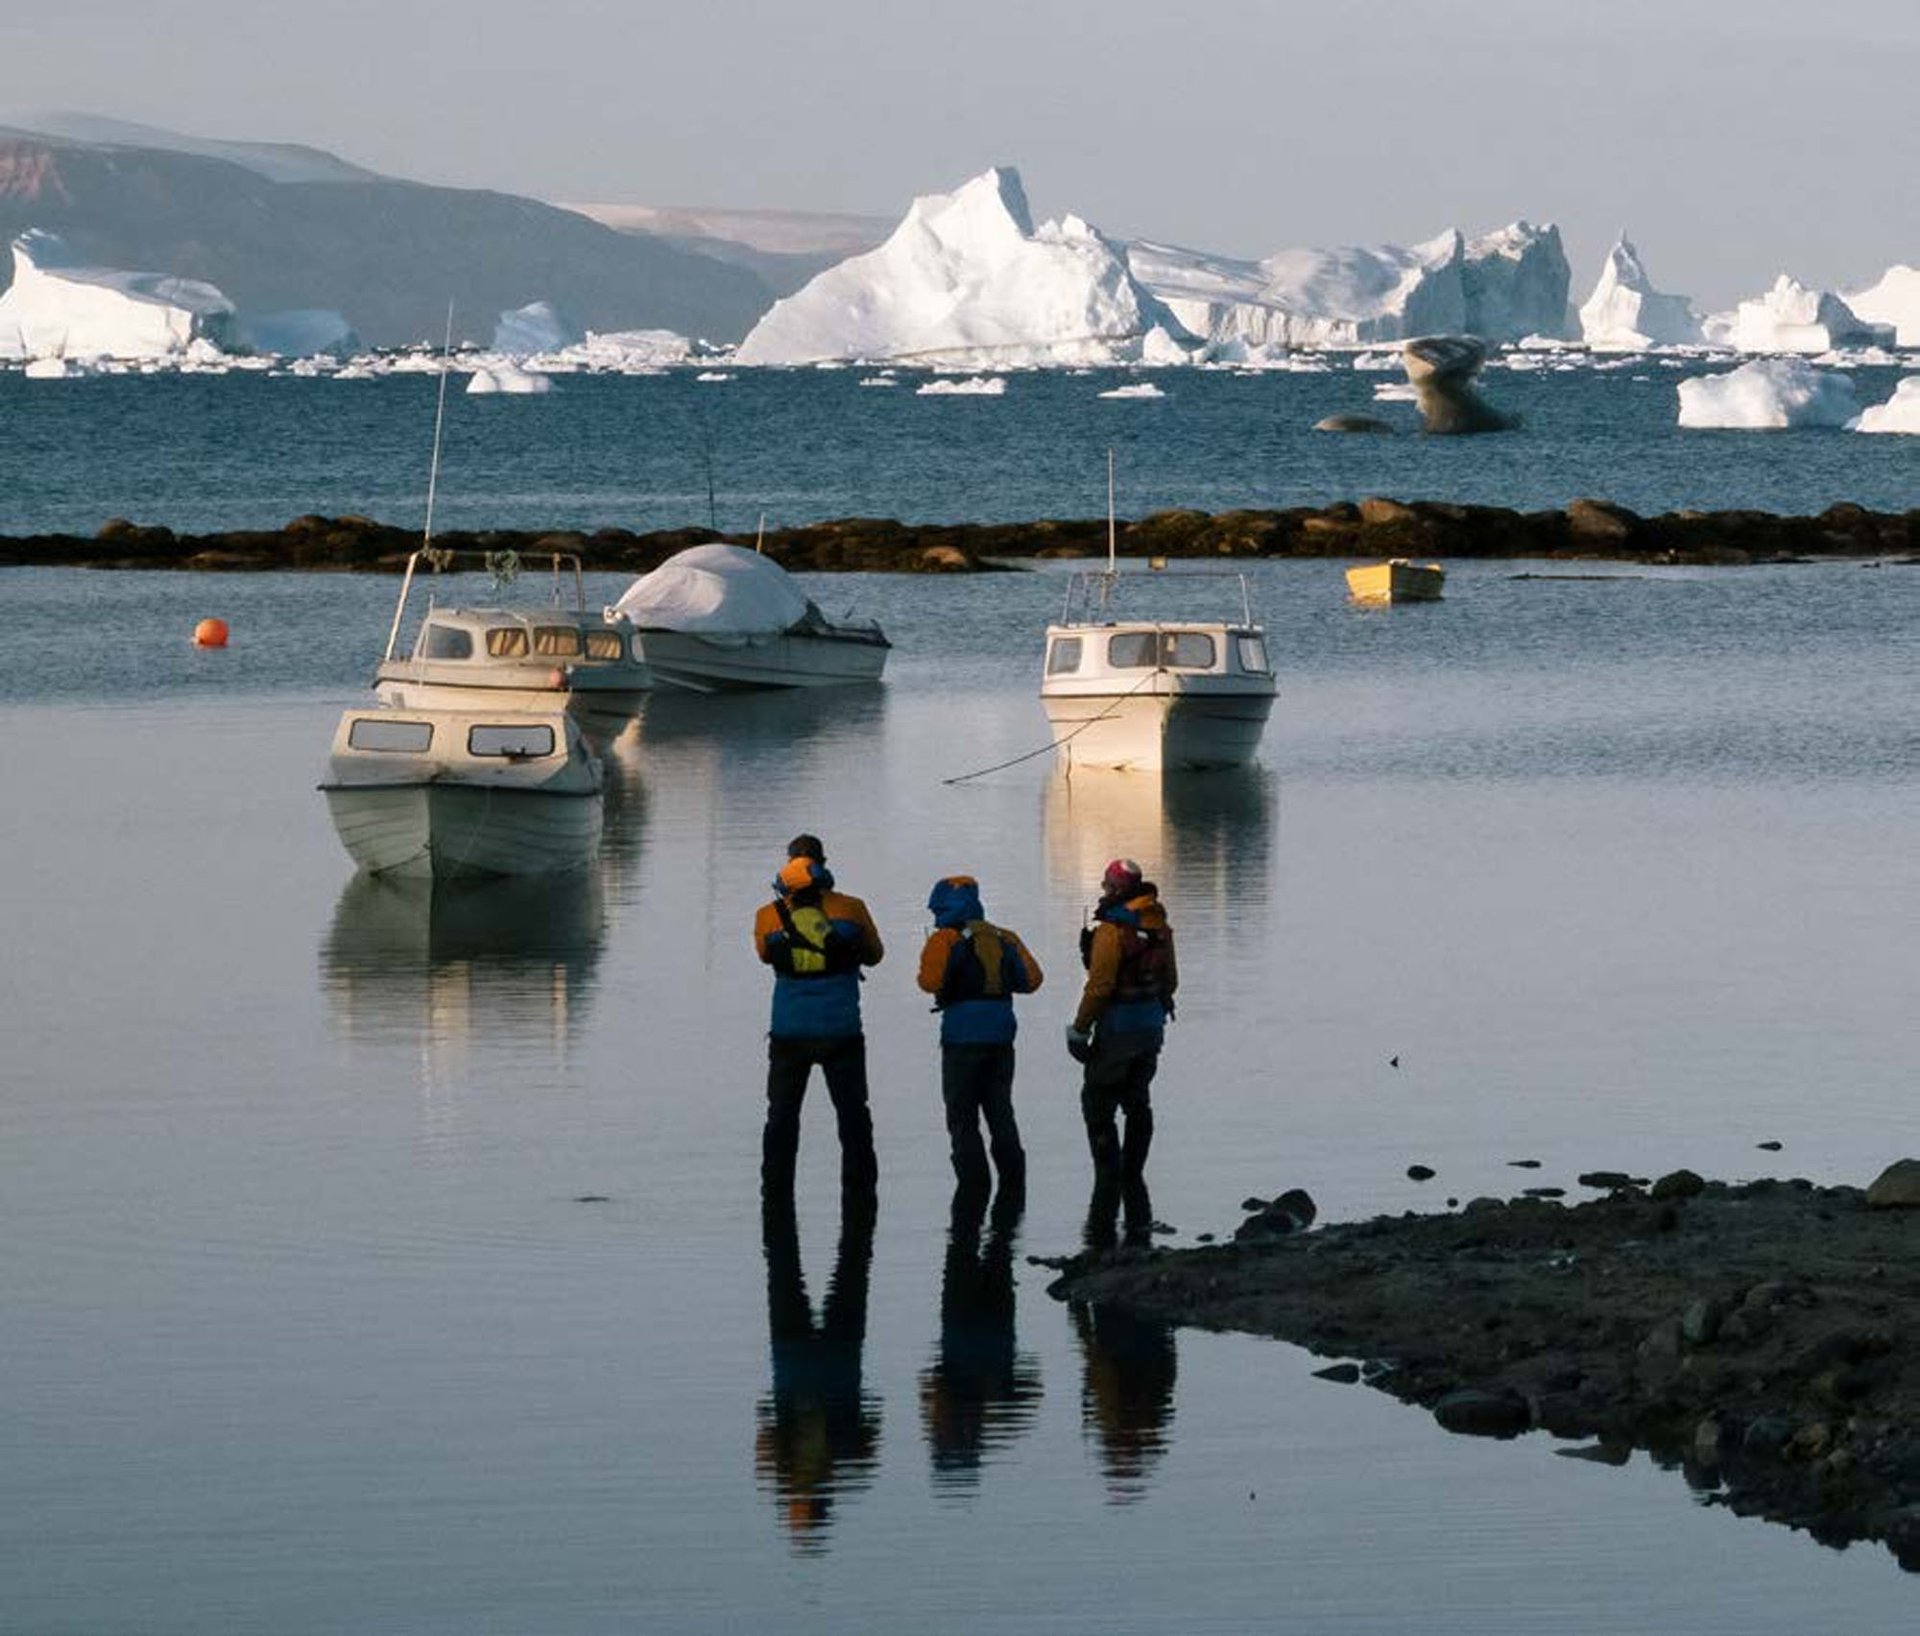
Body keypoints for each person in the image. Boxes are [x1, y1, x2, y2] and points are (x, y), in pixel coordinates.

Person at [753, 839, 885, 1189]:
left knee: (781, 1116)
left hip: (788, 1031)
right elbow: (875, 956)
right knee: (853, 1114)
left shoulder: (768, 915)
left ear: (788, 867)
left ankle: (776, 1189)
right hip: (841, 1030)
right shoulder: (852, 908)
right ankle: (861, 1191)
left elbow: (764, 955)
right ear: (823, 864)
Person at [916, 875, 1044, 1193]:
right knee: (1001, 1112)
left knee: (962, 1117)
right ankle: (1014, 1184)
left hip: (960, 1040)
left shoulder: (944, 940)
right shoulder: (1005, 937)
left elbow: (929, 982)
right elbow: (1032, 981)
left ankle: (973, 1188)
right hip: (1001, 1038)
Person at [1066, 858, 1177, 1184]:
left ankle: (1108, 1180)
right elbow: (1171, 980)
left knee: (1098, 1102)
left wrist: (1079, 1030)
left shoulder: (1111, 930)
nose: (1103, 890)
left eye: (1106, 885)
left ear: (1115, 888)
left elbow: (1100, 988)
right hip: (1152, 1028)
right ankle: (1134, 1176)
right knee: (1137, 1101)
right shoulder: (1160, 926)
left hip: (1117, 1028)